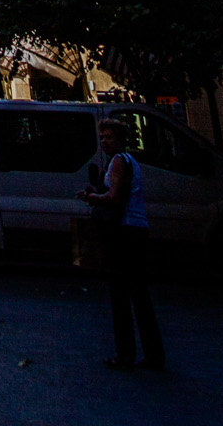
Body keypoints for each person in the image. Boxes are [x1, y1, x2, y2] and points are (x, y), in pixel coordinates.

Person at [82, 116, 166, 372]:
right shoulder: (130, 162)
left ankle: (125, 354)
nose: (104, 141)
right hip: (136, 229)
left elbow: (115, 197)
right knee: (139, 294)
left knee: (120, 294)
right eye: (102, 137)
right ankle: (153, 354)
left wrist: (92, 197)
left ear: (119, 139)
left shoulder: (118, 161)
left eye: (109, 137)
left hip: (124, 231)